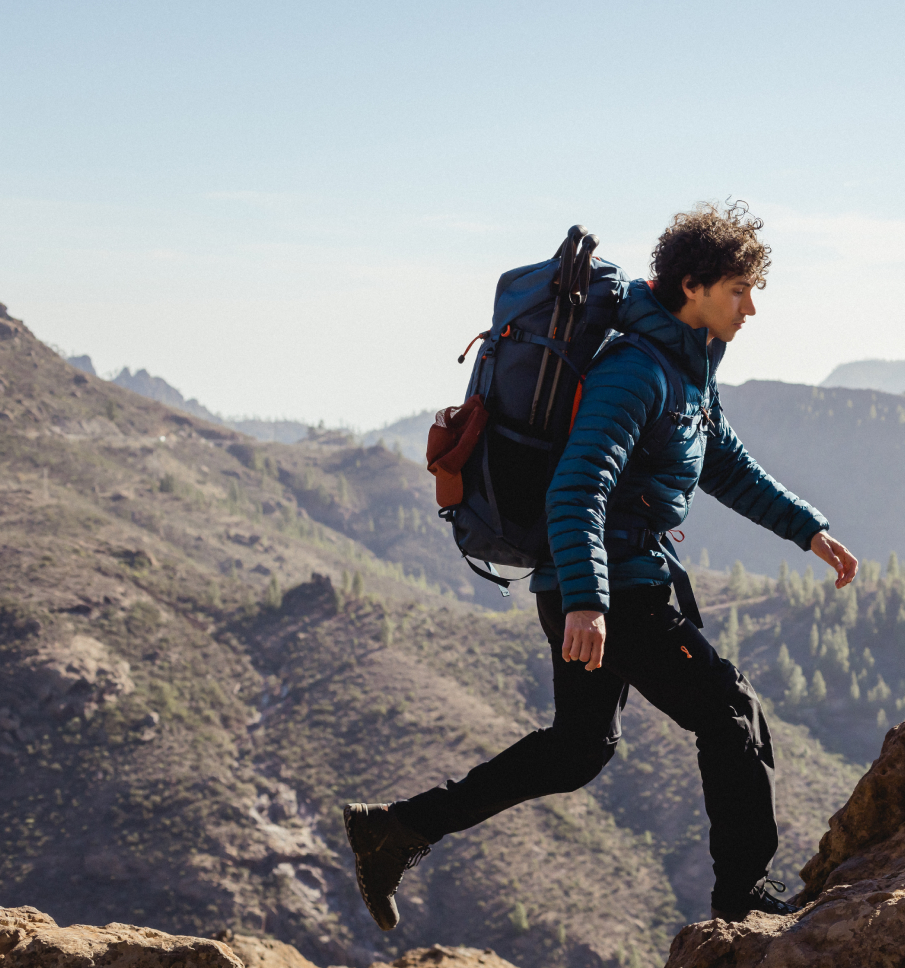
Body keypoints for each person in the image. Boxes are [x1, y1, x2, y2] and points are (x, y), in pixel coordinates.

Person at [343, 202, 860, 928]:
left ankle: (395, 829)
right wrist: (589, 602)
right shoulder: (635, 372)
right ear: (693, 286)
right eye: (740, 290)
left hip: (608, 583)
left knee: (578, 750)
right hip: (614, 591)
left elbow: (731, 469)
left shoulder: (687, 372)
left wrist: (810, 531)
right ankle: (742, 900)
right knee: (730, 713)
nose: (751, 309)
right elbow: (577, 485)